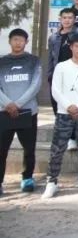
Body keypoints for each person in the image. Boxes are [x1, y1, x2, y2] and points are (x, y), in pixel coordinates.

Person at [42, 34, 78, 199]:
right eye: (76, 46)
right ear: (71, 47)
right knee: (57, 148)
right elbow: (55, 90)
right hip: (64, 113)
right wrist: (68, 106)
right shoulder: (61, 66)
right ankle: (52, 181)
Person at [0, 29, 42, 195]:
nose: (18, 43)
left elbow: (36, 84)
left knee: (29, 148)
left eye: (21, 40)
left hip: (28, 111)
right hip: (4, 111)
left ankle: (27, 178)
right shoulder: (2, 61)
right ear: (10, 41)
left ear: (26, 42)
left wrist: (17, 104)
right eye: (15, 39)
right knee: (1, 149)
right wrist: (8, 103)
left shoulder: (33, 61)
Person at [47, 8, 78, 118]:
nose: (67, 20)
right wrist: (50, 75)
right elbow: (51, 58)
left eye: (70, 18)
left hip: (75, 75)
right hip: (57, 75)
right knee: (57, 103)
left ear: (74, 19)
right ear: (60, 19)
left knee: (74, 105)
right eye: (64, 18)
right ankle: (59, 123)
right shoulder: (53, 37)